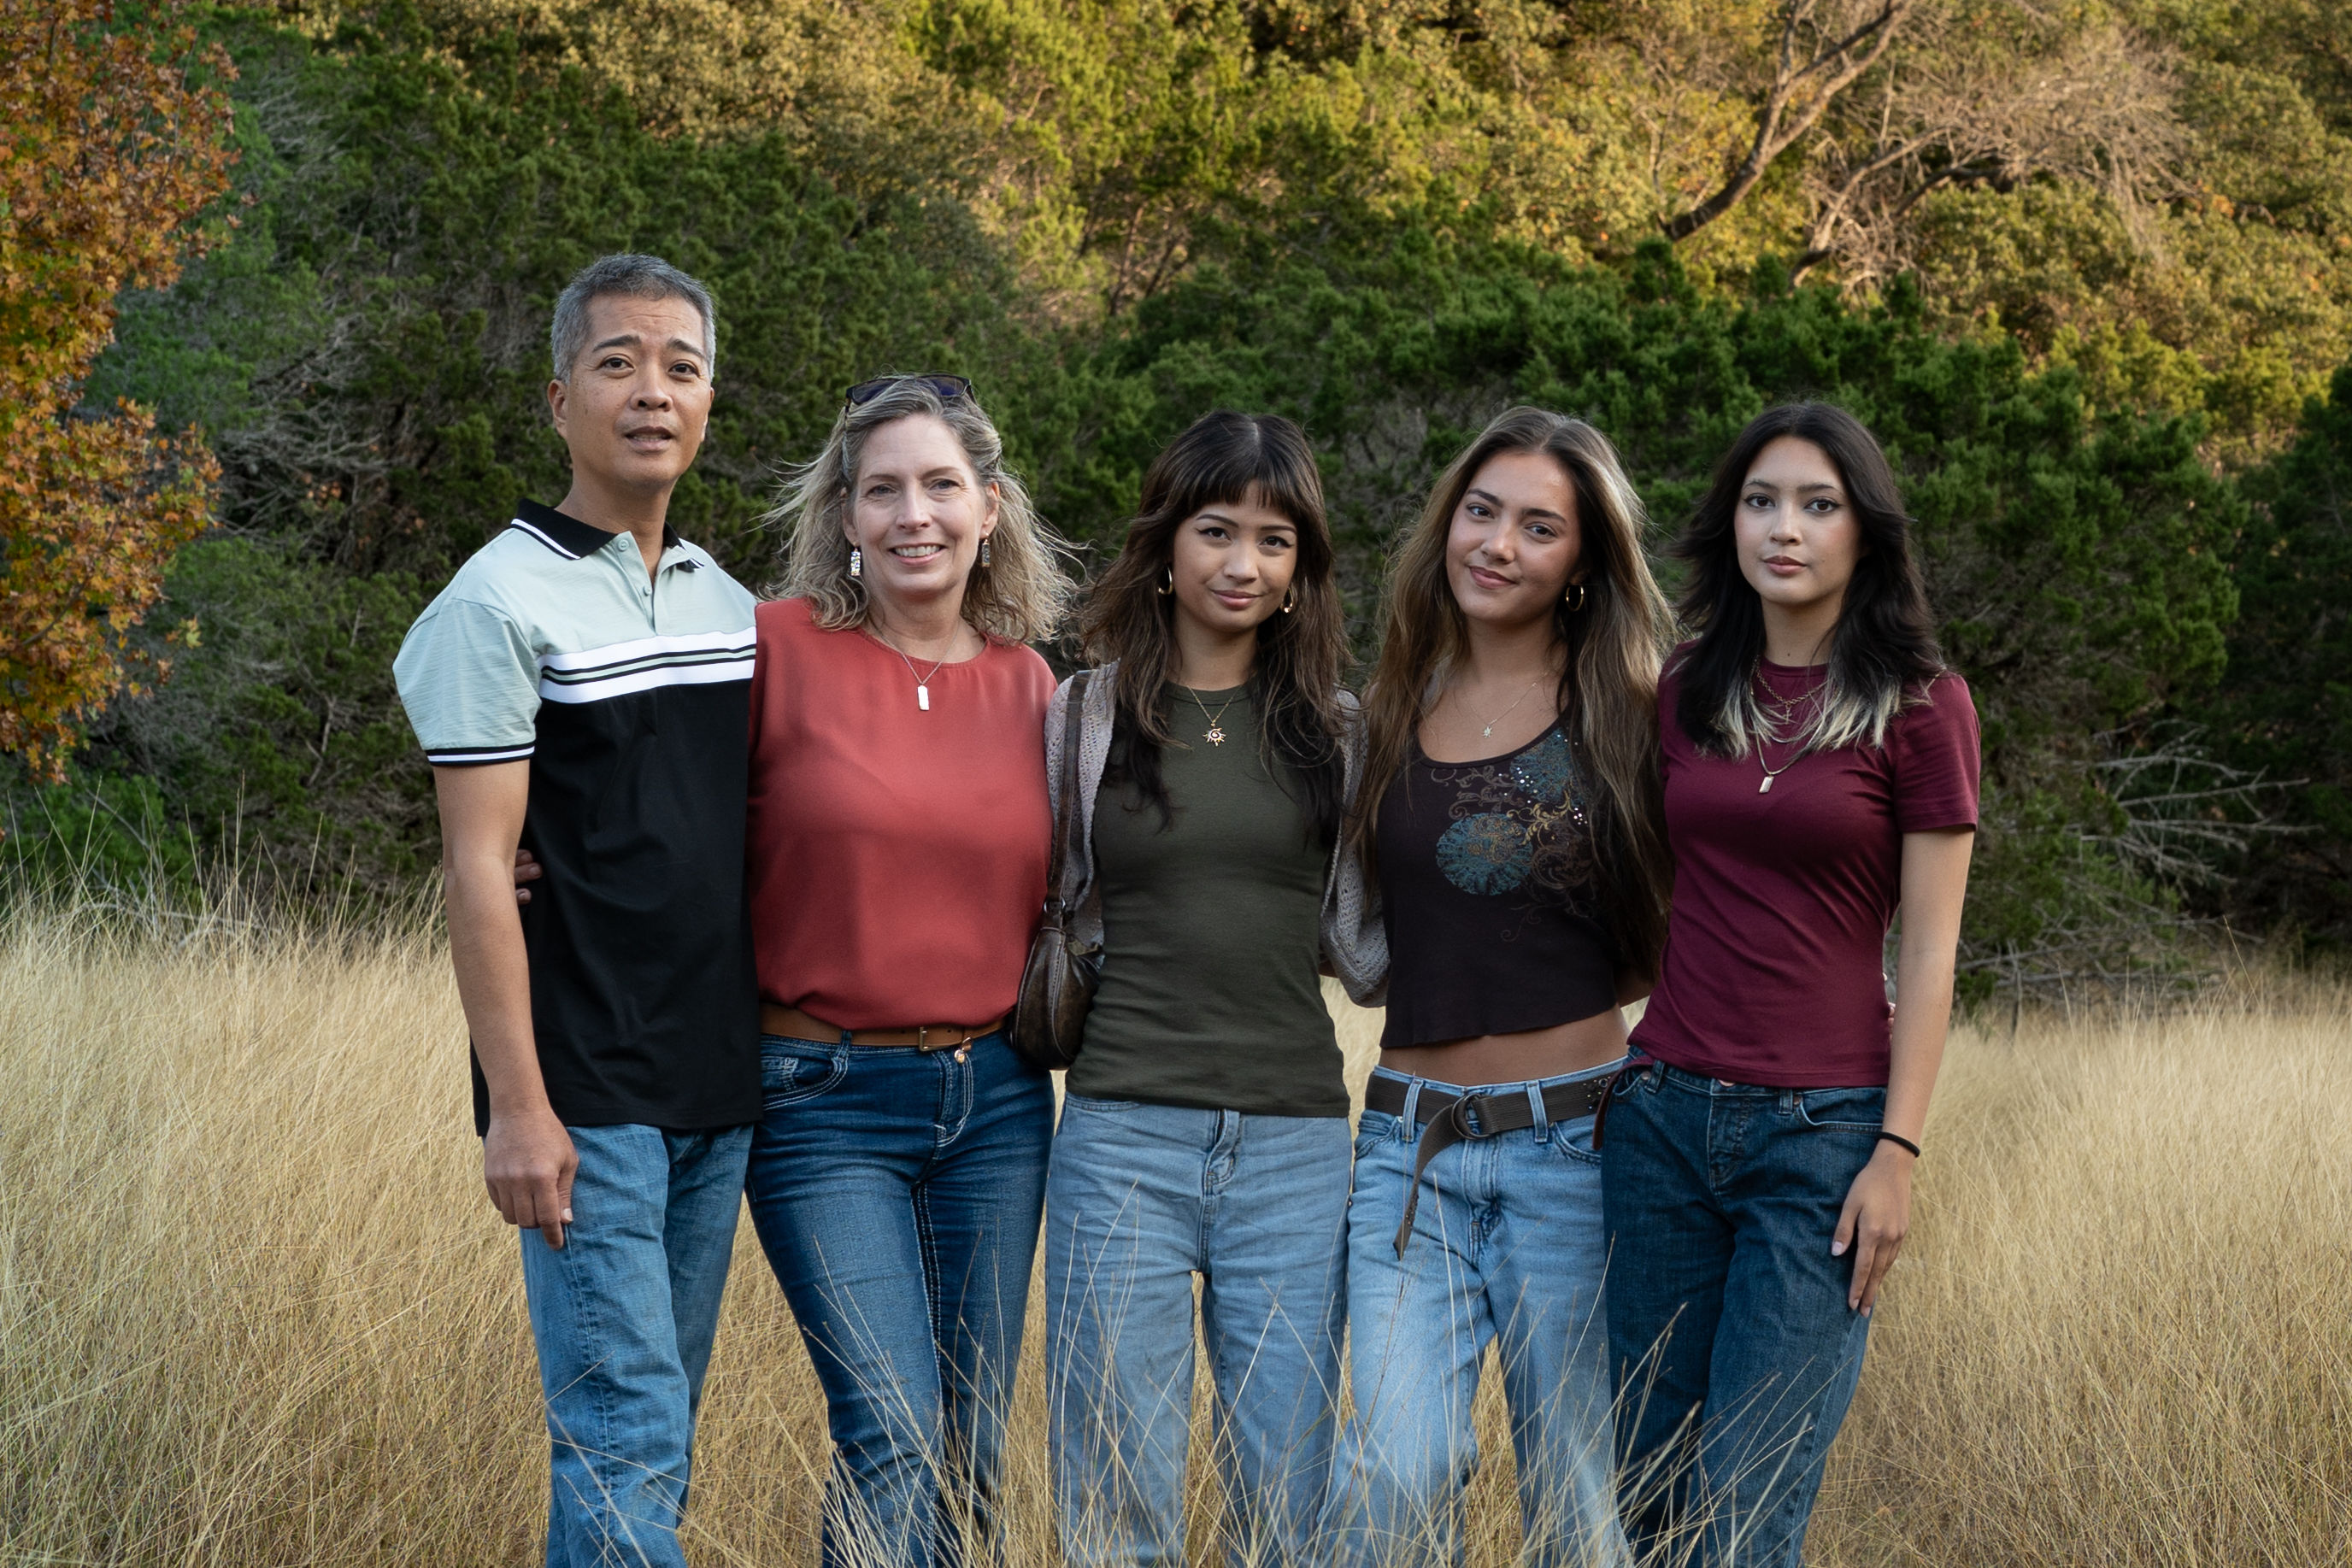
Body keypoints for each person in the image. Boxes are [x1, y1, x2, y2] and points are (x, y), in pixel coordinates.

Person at [392, 254, 758, 1568]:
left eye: (681, 367)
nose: (652, 392)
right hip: (586, 1097)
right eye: (617, 364)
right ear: (560, 400)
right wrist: (519, 1110)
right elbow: (478, 867)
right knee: (625, 1432)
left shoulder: (730, 603)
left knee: (653, 1437)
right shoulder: (493, 600)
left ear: (707, 401)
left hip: (718, 1088)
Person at [1602, 402, 1979, 1566]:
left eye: (1820, 506)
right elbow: (1658, 881)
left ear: (1866, 531)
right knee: (1649, 1492)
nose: (1786, 529)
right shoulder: (1686, 687)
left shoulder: (1923, 706)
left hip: (1822, 1142)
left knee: (1747, 1502)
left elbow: (1931, 952)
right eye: (1763, 502)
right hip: (1661, 1121)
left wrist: (1896, 1154)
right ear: (1732, 522)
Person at [1326, 408, 1673, 1568]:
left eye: (1539, 527)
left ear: (1583, 562)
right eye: (1482, 512)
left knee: (1580, 1504)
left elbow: (1674, 927)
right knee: (1394, 1475)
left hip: (1576, 1147)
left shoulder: (1630, 710)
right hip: (1408, 1150)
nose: (1499, 544)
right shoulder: (1390, 709)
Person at [1040, 411, 1386, 1568]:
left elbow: (1377, 936)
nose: (1244, 564)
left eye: (1275, 541)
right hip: (1119, 1139)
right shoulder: (1084, 716)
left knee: (1286, 1508)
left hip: (1296, 1147)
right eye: (1217, 531)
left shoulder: (1340, 732)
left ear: (1302, 568)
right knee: (1113, 1505)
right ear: (1166, 544)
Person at [741, 373, 1075, 1568]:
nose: (913, 515)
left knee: (972, 1446)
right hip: (818, 1102)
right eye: (881, 490)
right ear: (845, 515)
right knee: (889, 1426)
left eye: (941, 486)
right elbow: (655, 807)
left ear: (990, 509)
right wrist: (539, 850)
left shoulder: (1034, 688)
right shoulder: (773, 648)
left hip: (998, 1104)